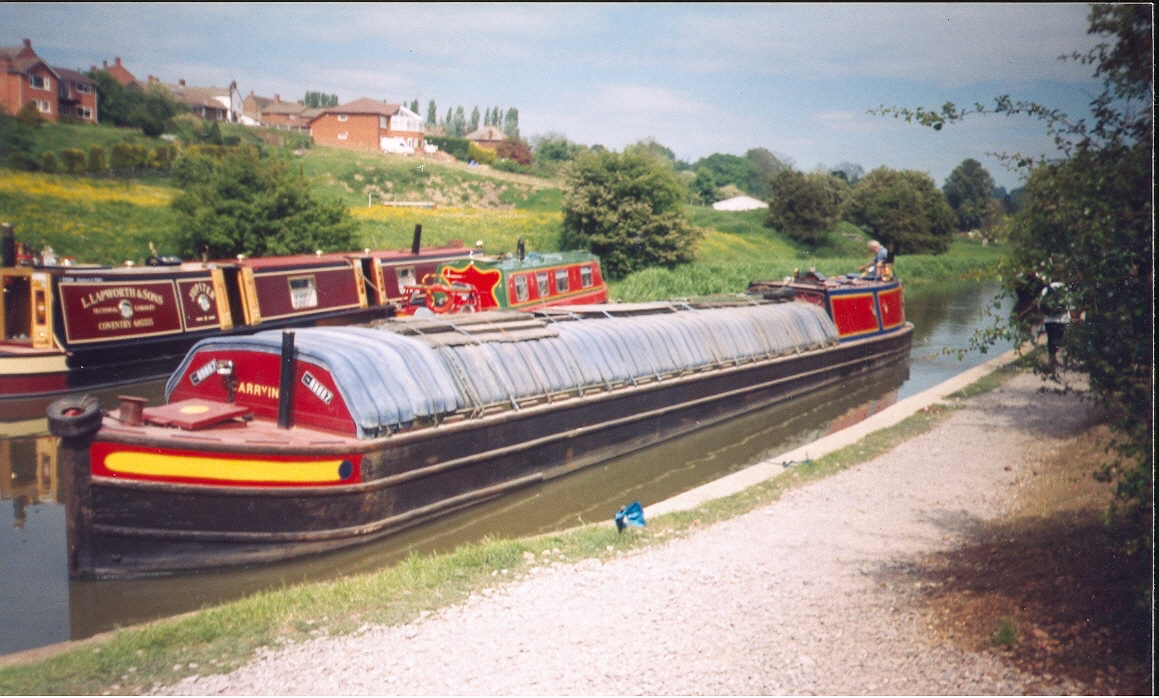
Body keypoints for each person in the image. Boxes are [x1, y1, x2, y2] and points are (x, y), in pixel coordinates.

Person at [1039, 281, 1069, 370]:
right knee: (1058, 339)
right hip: (1061, 319)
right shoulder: (1064, 287)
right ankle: (1052, 359)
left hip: (1048, 319)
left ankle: (1051, 359)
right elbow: (1068, 303)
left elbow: (1040, 304)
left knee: (1050, 339)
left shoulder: (1046, 288)